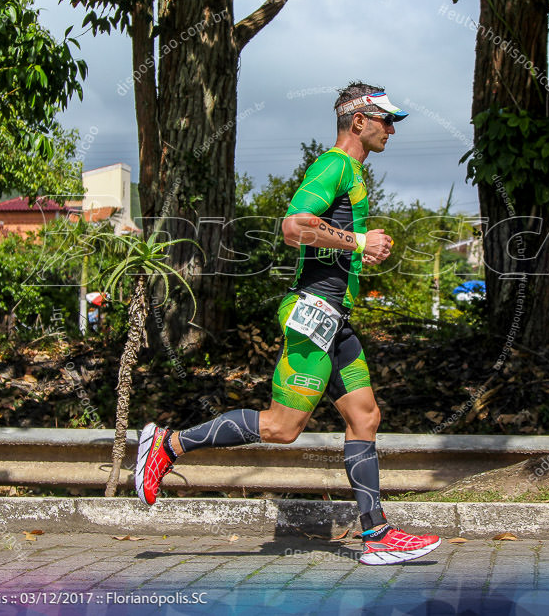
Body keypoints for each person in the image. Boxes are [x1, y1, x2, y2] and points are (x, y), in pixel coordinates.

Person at [134, 82, 441, 566]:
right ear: (357, 121)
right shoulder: (334, 164)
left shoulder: (353, 174)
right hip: (314, 314)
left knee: (365, 417)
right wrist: (360, 243)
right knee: (281, 427)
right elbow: (294, 227)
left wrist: (355, 248)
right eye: (386, 119)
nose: (393, 128)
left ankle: (377, 534)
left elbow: (324, 238)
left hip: (335, 319)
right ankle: (167, 447)